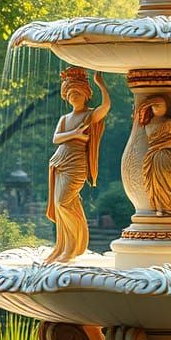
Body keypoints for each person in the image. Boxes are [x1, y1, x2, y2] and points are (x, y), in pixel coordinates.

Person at [44, 67, 110, 262]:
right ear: (66, 96)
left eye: (77, 93)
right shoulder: (65, 119)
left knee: (64, 202)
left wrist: (101, 84)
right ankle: (62, 247)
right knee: (59, 205)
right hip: (59, 162)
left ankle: (73, 247)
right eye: (70, 94)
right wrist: (75, 134)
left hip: (77, 164)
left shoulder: (89, 115)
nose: (74, 97)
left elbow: (106, 107)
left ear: (85, 95)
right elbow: (56, 138)